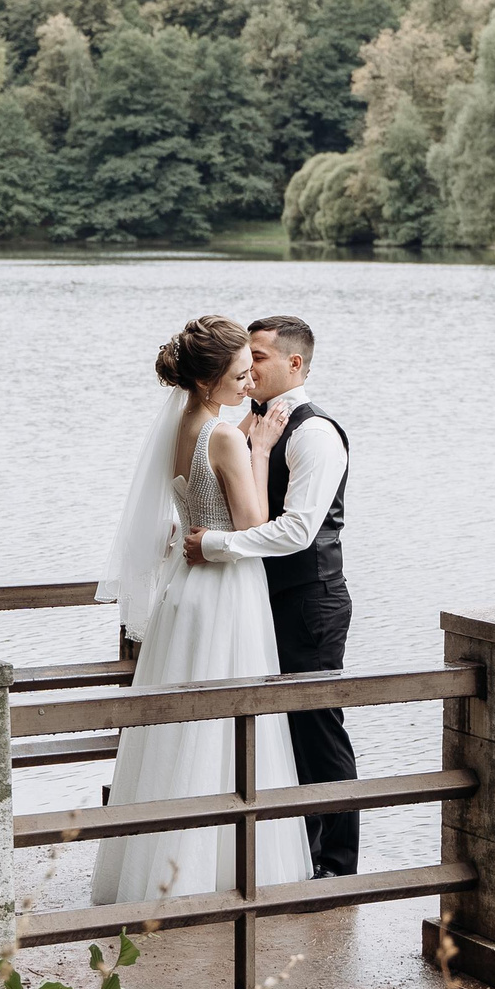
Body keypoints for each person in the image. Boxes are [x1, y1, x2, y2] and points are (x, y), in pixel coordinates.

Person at [90, 316, 313, 905]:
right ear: (212, 379)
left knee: (179, 726)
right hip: (225, 591)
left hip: (183, 592)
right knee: (228, 718)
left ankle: (159, 870)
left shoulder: (182, 425)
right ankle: (219, 874)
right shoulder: (228, 437)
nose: (250, 384)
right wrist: (260, 449)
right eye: (240, 375)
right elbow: (253, 524)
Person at [184, 315, 357, 878]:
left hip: (310, 601)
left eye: (258, 356)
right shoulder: (242, 425)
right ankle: (287, 860)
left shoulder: (315, 433)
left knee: (315, 729)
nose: (248, 366)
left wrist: (216, 545)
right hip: (253, 602)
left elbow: (297, 530)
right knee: (269, 733)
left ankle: (335, 865)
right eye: (245, 357)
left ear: (294, 364)